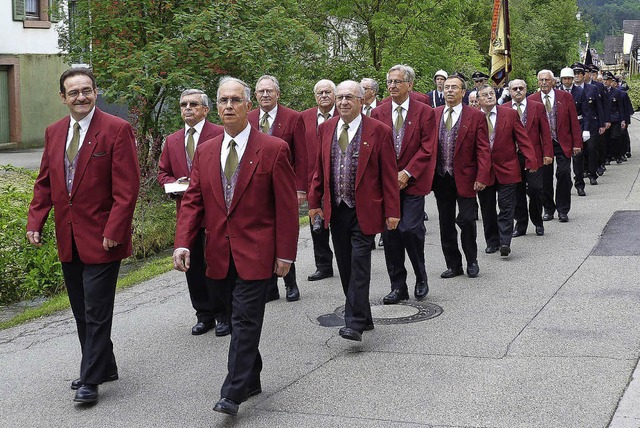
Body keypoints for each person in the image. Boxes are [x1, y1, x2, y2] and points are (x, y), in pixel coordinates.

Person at [173, 77, 298, 416]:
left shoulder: (272, 149)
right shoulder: (206, 150)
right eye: (223, 101)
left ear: (248, 106)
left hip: (257, 253)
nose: (229, 106)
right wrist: (183, 242)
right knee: (239, 319)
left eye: (236, 100)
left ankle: (232, 392)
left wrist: (285, 253)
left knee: (244, 321)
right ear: (216, 107)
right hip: (217, 255)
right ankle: (252, 376)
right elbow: (193, 201)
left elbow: (286, 208)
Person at [26, 67, 140, 404]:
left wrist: (115, 230)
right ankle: (105, 365)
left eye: (86, 90)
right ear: (63, 97)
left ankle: (90, 379)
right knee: (81, 309)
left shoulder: (117, 129)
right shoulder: (54, 132)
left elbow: (127, 189)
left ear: (95, 91)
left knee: (97, 309)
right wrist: (36, 220)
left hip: (104, 237)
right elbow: (45, 181)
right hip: (69, 236)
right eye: (73, 92)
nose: (81, 97)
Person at [308, 80, 400, 342]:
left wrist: (392, 210)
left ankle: (354, 323)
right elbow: (319, 171)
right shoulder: (325, 129)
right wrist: (315, 204)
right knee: (346, 265)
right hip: (337, 210)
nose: (343, 102)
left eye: (349, 97)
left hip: (365, 209)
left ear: (361, 101)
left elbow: (388, 174)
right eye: (340, 98)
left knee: (360, 263)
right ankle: (365, 315)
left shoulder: (378, 131)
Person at [158, 89, 229, 336]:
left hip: (215, 213)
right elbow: (162, 172)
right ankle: (203, 314)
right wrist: (174, 183)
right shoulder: (173, 140)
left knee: (216, 264)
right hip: (187, 213)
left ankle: (224, 314)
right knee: (193, 265)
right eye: (183, 104)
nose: (187, 108)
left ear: (206, 110)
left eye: (193, 104)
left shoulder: (219, 133)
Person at [370, 64, 436, 304]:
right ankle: (398, 286)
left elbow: (428, 147)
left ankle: (421, 275)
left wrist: (407, 173)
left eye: (397, 82)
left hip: (413, 183)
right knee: (390, 235)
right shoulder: (378, 112)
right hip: (387, 185)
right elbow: (374, 148)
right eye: (389, 82)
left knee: (410, 230)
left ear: (410, 84)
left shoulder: (424, 111)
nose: (392, 86)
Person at [248, 75, 307, 302]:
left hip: (284, 188)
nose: (265, 95)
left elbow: (302, 156)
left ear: (277, 94)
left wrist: (300, 188)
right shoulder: (249, 117)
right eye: (261, 92)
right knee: (262, 237)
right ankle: (269, 286)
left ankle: (291, 283)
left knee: (283, 233)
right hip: (255, 190)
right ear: (255, 96)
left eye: (269, 91)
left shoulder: (293, 118)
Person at [431, 75, 491, 278]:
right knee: (445, 222)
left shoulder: (475, 116)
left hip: (466, 176)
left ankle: (471, 260)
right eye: (446, 87)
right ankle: (453, 264)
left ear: (463, 92)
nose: (449, 91)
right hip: (441, 177)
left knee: (466, 220)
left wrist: (482, 176)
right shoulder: (434, 114)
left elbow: (483, 149)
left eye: (454, 87)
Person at [476, 85, 536, 257]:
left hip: (507, 168)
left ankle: (504, 241)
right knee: (487, 208)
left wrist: (531, 159)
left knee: (506, 206)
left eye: (491, 94)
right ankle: (492, 241)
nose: (489, 97)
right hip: (483, 172)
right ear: (478, 99)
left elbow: (522, 138)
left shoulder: (509, 114)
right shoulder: (474, 116)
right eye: (484, 95)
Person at [529, 70, 582, 223]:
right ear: (538, 82)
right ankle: (548, 208)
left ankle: (563, 209)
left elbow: (573, 120)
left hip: (562, 141)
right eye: (541, 80)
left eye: (547, 80)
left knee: (564, 173)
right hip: (542, 144)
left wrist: (577, 143)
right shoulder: (532, 99)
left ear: (553, 81)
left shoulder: (565, 97)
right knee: (545, 177)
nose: (544, 83)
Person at [300, 79, 337, 281]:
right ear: (315, 97)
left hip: (336, 177)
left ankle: (346, 259)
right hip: (312, 178)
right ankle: (323, 265)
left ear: (334, 95)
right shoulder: (304, 117)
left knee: (339, 222)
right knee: (316, 221)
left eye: (327, 92)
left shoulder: (345, 114)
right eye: (320, 93)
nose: (324, 96)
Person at [509, 79, 553, 237]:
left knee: (535, 189)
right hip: (513, 158)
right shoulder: (504, 109)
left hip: (534, 156)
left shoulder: (537, 107)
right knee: (516, 192)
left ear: (526, 89)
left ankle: (537, 221)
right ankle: (520, 224)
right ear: (510, 91)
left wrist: (548, 153)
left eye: (521, 88)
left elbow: (545, 132)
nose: (518, 91)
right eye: (515, 89)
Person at [571, 62, 606, 186]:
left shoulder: (592, 88)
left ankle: (592, 174)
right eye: (574, 73)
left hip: (591, 123)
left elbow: (599, 107)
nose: (577, 76)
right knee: (577, 153)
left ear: (583, 74)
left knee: (591, 149)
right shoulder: (569, 90)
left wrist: (602, 123)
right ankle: (580, 174)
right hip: (575, 124)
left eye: (579, 73)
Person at [559, 67, 590, 196]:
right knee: (563, 162)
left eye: (569, 79)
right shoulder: (556, 92)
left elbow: (586, 112)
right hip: (562, 129)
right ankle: (566, 185)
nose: (567, 81)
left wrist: (586, 129)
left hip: (578, 125)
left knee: (578, 158)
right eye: (565, 79)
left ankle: (579, 184)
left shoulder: (580, 91)